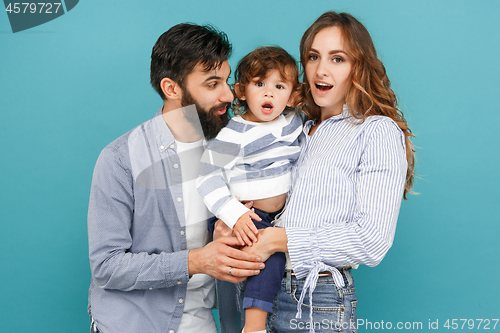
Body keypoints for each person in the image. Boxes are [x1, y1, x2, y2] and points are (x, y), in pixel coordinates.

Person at [234, 12, 416, 333]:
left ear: (358, 67)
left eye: (338, 58)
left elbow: (372, 241)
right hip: (255, 287)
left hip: (315, 299)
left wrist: (280, 239)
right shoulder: (293, 129)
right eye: (314, 56)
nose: (321, 69)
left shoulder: (375, 131)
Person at [87, 23, 265, 333]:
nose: (227, 93)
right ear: (172, 88)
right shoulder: (120, 159)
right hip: (134, 324)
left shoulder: (234, 149)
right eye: (212, 84)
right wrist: (195, 261)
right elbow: (107, 267)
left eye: (226, 79)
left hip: (205, 323)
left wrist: (227, 239)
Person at [196, 46, 303, 333]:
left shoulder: (294, 122)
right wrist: (234, 214)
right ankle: (252, 327)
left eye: (279, 86)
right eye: (260, 84)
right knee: (267, 261)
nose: (269, 94)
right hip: (248, 217)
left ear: (293, 95)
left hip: (281, 218)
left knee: (276, 257)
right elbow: (206, 175)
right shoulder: (234, 133)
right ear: (242, 91)